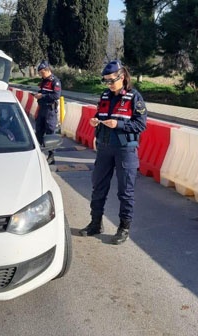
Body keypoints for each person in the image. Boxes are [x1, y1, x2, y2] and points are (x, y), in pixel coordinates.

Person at [79, 60, 148, 245]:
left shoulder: (134, 97)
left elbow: (141, 125)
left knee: (125, 191)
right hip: (104, 148)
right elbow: (99, 115)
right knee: (98, 186)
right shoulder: (105, 96)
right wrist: (95, 121)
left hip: (125, 150)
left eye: (111, 80)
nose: (109, 84)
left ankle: (124, 227)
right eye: (106, 81)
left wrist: (119, 124)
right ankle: (95, 223)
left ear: (122, 76)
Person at [34, 60, 61, 164]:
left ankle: (51, 155)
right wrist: (38, 95)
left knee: (50, 133)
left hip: (50, 111)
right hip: (41, 109)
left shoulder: (55, 81)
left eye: (42, 72)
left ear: (47, 70)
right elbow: (41, 91)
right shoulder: (43, 81)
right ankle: (39, 153)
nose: (41, 74)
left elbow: (56, 95)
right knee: (39, 131)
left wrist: (43, 96)